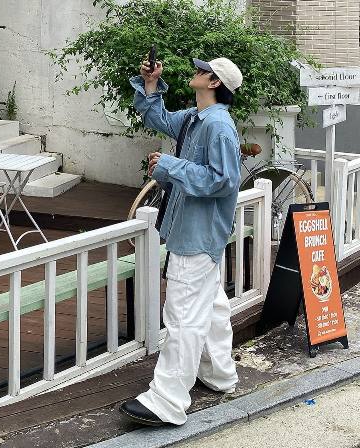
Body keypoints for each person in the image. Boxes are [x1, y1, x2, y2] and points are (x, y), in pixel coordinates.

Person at [119, 56, 243, 427]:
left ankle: (168, 400)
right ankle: (219, 373)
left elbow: (224, 181)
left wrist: (169, 166)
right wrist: (151, 85)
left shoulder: (218, 126)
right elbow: (157, 118)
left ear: (214, 82)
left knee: (182, 316)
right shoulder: (194, 118)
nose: (196, 71)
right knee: (212, 305)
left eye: (202, 69)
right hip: (197, 233)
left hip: (197, 235)